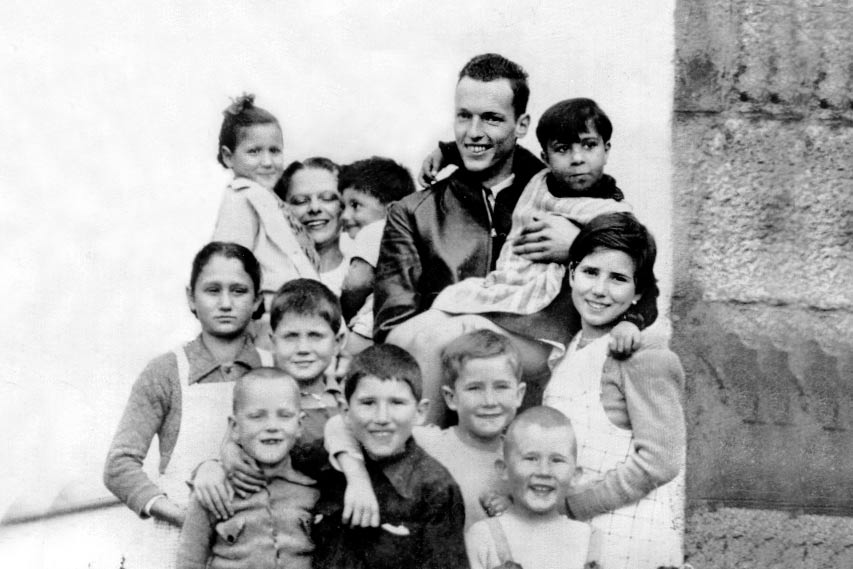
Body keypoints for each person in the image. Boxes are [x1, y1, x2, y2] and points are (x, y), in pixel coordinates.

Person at [103, 242, 272, 569]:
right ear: (191, 298)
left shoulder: (274, 370)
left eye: (238, 291)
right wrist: (187, 519)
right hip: (176, 541)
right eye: (212, 290)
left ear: (258, 301)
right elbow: (119, 466)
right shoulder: (165, 371)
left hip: (253, 545)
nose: (225, 303)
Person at [543, 212, 685, 568]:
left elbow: (660, 461)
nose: (600, 290)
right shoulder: (572, 346)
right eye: (590, 272)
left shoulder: (641, 355)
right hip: (576, 534)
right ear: (572, 272)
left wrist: (577, 504)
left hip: (626, 537)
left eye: (618, 279)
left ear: (638, 292)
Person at [325, 329, 526, 529]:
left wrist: (516, 509)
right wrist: (358, 480)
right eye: (474, 388)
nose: (489, 401)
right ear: (451, 397)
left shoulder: (526, 459)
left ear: (519, 394)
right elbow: (340, 424)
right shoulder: (430, 442)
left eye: (501, 387)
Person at [313, 344, 469, 569]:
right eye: (368, 403)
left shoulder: (435, 489)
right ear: (346, 411)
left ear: (420, 412)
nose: (382, 417)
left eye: (396, 403)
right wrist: (241, 461)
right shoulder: (327, 459)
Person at [176, 368, 319, 569]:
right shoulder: (214, 491)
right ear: (234, 427)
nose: (271, 426)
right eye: (257, 416)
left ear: (300, 425)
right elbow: (189, 561)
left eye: (284, 415)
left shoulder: (312, 489)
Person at [211, 94, 320, 316]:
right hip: (267, 316)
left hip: (298, 312)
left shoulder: (269, 197)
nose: (268, 162)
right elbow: (229, 266)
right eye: (254, 152)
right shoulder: (241, 199)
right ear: (228, 156)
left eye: (274, 150)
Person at [465, 406, 592, 569]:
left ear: (575, 474)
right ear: (504, 469)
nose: (544, 471)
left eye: (557, 460)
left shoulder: (588, 540)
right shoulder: (483, 537)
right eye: (531, 458)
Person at [337, 156, 416, 353]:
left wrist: (343, 311)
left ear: (392, 209)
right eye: (343, 206)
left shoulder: (375, 230)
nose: (345, 216)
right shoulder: (411, 235)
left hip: (369, 324)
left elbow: (357, 282)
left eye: (355, 205)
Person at [268, 278, 346, 444]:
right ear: (273, 343)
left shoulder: (350, 398)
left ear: (337, 343)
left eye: (315, 336)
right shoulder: (263, 402)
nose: (303, 348)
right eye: (291, 336)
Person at [276, 157, 349, 295]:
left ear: (343, 206)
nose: (314, 208)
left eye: (327, 198)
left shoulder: (368, 274)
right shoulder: (271, 275)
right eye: (300, 201)